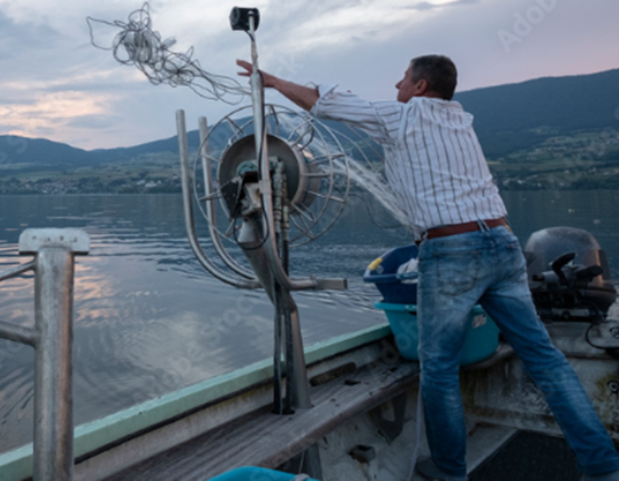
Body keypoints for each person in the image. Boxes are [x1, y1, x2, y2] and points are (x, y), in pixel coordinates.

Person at [236, 55, 619, 481]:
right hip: (503, 242)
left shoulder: (403, 116)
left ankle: (450, 470)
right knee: (545, 359)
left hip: (451, 248)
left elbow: (327, 101)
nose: (396, 85)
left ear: (419, 87)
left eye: (402, 78)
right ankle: (603, 466)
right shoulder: (460, 122)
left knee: (438, 367)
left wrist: (270, 81)